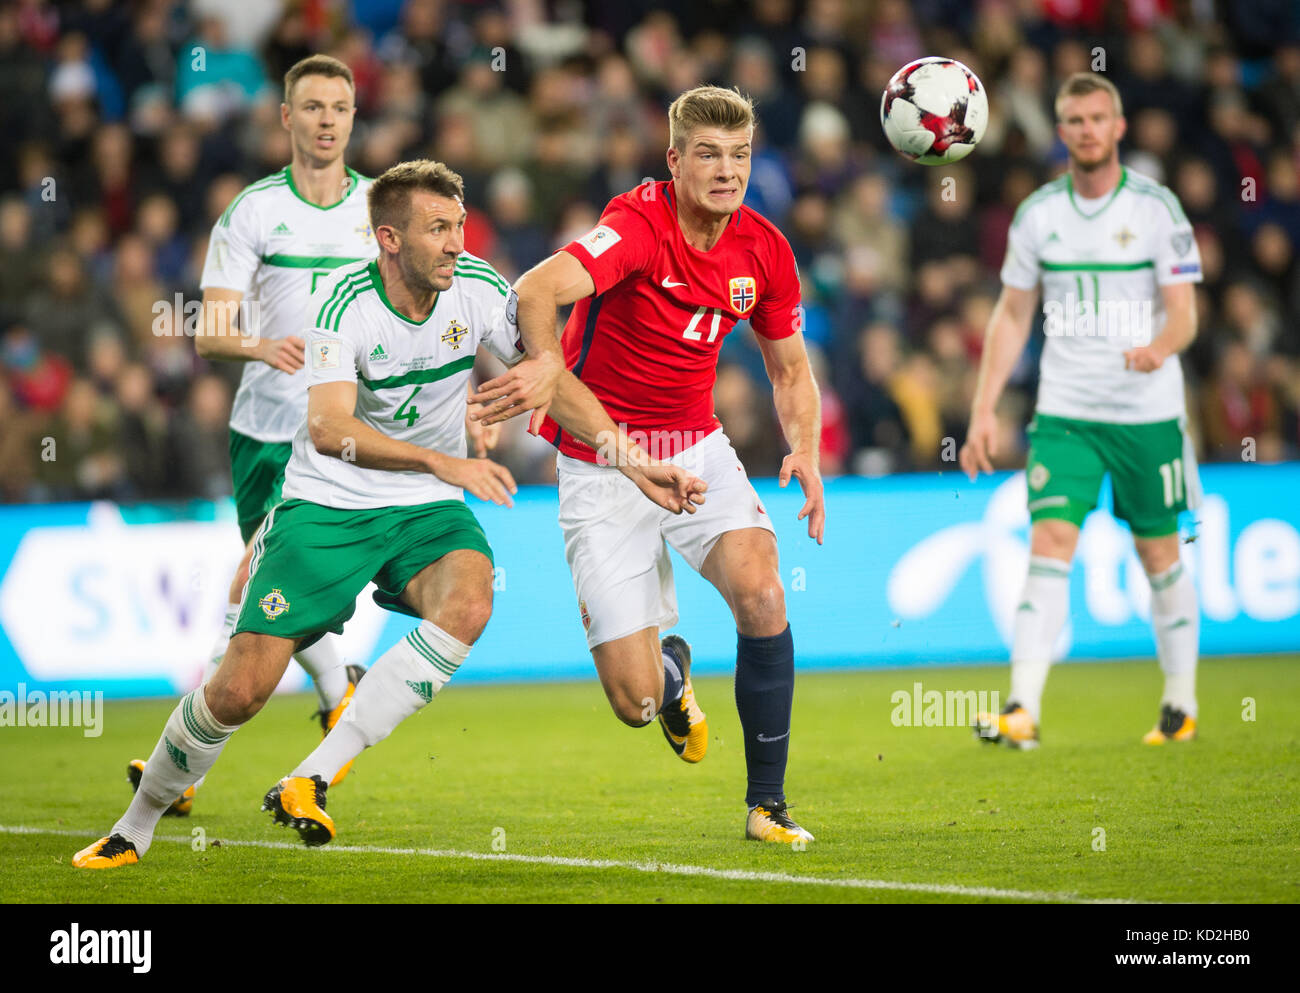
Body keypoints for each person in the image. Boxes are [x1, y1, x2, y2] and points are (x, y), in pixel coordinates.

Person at [73, 159, 706, 867]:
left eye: (459, 225)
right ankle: (136, 823)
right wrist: (441, 459)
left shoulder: (477, 289)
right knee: (241, 689)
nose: (457, 242)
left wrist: (633, 457)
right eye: (438, 229)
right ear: (389, 239)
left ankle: (310, 775)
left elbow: (548, 380)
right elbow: (327, 428)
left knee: (469, 598)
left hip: (426, 508)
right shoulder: (343, 308)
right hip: (330, 502)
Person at [470, 86, 824, 844]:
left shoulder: (764, 248)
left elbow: (790, 369)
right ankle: (669, 673)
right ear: (674, 160)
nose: (726, 170)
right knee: (633, 702)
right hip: (601, 459)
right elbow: (536, 288)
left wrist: (807, 449)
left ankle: (767, 804)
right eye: (707, 154)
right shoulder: (637, 225)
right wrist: (542, 363)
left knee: (763, 592)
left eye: (739, 155)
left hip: (694, 447)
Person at [125, 55, 376, 818]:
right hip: (261, 434)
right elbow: (209, 334)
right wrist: (258, 346)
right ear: (286, 118)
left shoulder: (380, 210)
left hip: (337, 435)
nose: (327, 119)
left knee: (250, 593)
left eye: (340, 107)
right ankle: (341, 692)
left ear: (353, 118)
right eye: (313, 107)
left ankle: (184, 770)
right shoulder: (253, 212)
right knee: (275, 592)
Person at [962, 73, 1202, 748]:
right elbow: (1012, 315)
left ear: (1119, 126)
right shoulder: (1039, 214)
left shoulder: (1158, 210)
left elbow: (1185, 313)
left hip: (1147, 413)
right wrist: (984, 408)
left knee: (1158, 552)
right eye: (1075, 119)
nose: (1088, 129)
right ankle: (1022, 708)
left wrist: (1159, 347)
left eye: (1099, 117)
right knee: (1050, 542)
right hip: (1065, 411)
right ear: (1061, 130)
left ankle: (1179, 704)